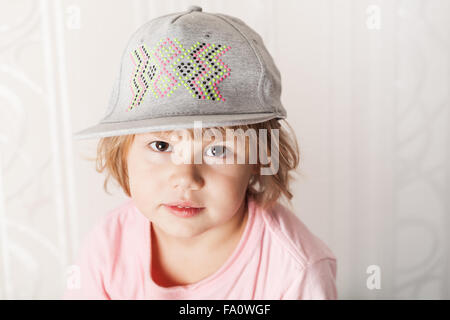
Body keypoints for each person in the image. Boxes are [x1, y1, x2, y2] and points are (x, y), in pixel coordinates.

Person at [63, 5, 337, 300]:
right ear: (123, 154)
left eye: (217, 149)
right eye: (161, 146)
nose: (185, 178)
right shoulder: (108, 244)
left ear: (260, 157)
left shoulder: (295, 269)